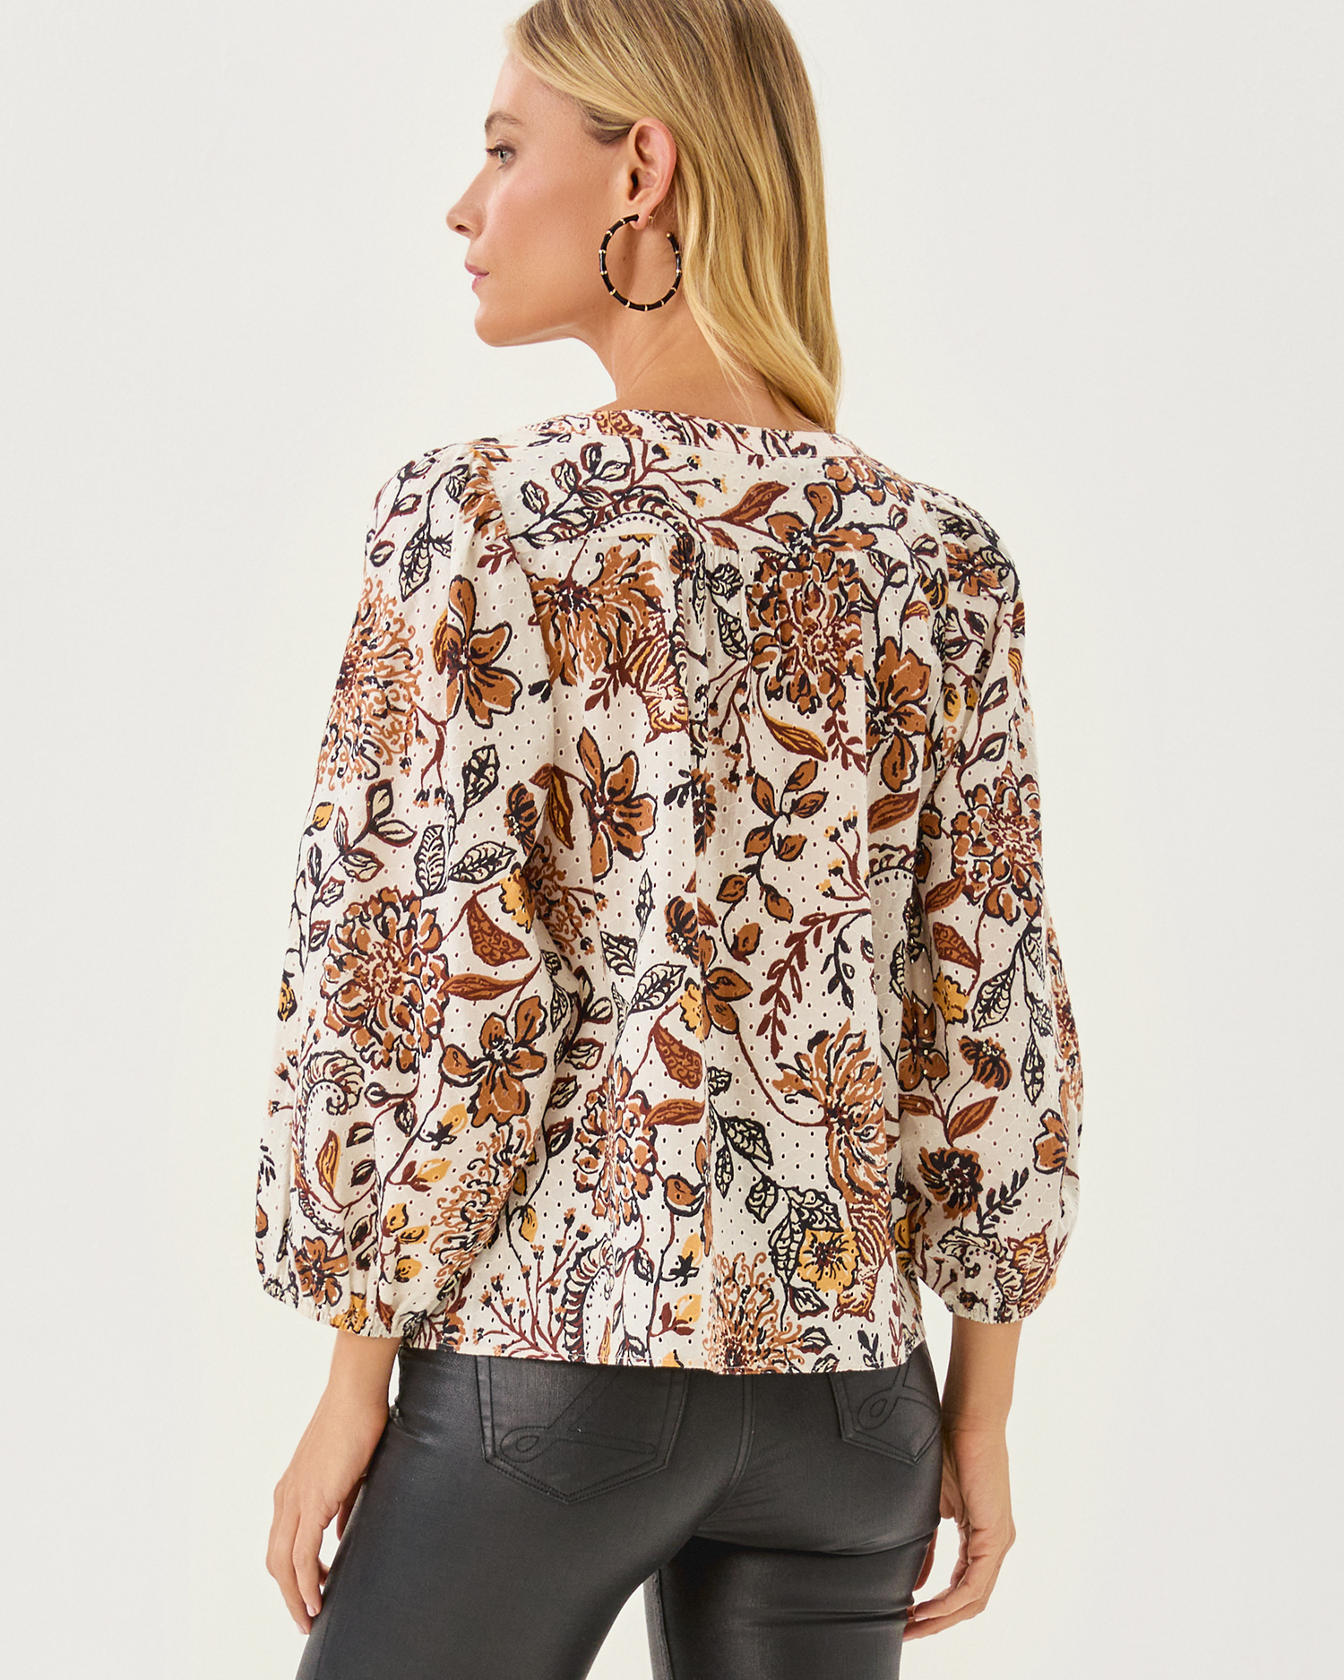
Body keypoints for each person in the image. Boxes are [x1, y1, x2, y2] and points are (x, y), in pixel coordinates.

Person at [255, 2, 1084, 1675]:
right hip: (854, 1406)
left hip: (552, 1369)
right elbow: (988, 1007)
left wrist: (353, 1380)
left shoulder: (477, 522)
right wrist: (978, 1414)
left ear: (644, 169)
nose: (465, 204)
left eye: (505, 148)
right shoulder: (939, 557)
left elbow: (418, 981)